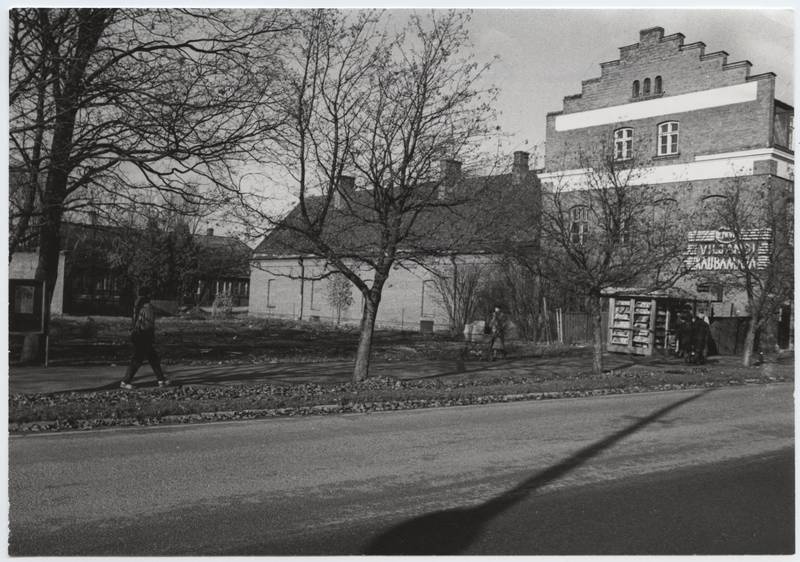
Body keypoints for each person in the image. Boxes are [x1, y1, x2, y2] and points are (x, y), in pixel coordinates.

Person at [120, 287, 172, 389]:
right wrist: (151, 336)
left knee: (153, 358)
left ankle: (161, 380)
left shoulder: (137, 304)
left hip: (137, 334)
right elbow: (148, 324)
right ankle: (125, 382)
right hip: (144, 335)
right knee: (138, 360)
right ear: (148, 295)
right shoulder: (148, 306)